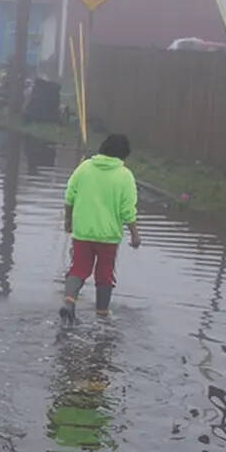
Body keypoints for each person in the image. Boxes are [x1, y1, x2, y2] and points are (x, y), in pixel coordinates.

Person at [60, 133, 141, 324]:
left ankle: (69, 301)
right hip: (108, 236)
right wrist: (135, 234)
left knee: (78, 269)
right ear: (124, 154)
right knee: (104, 275)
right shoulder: (125, 176)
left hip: (83, 231)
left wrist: (68, 221)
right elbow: (127, 210)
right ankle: (102, 315)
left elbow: (69, 196)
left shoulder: (84, 168)